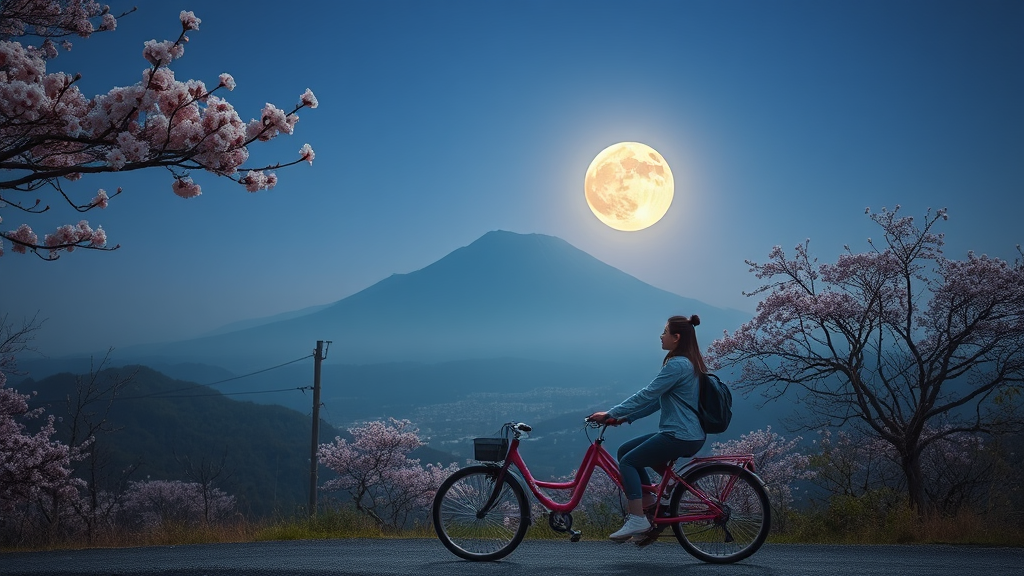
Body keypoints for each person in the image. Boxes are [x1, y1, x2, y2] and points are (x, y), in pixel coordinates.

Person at [588, 315, 708, 542]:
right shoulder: (687, 362)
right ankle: (651, 510)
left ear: (677, 337)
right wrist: (624, 418)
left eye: (665, 332)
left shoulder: (677, 365)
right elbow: (657, 402)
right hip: (685, 433)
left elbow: (647, 394)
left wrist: (611, 413)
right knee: (625, 450)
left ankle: (637, 518)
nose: (661, 336)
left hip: (679, 435)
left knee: (628, 462)